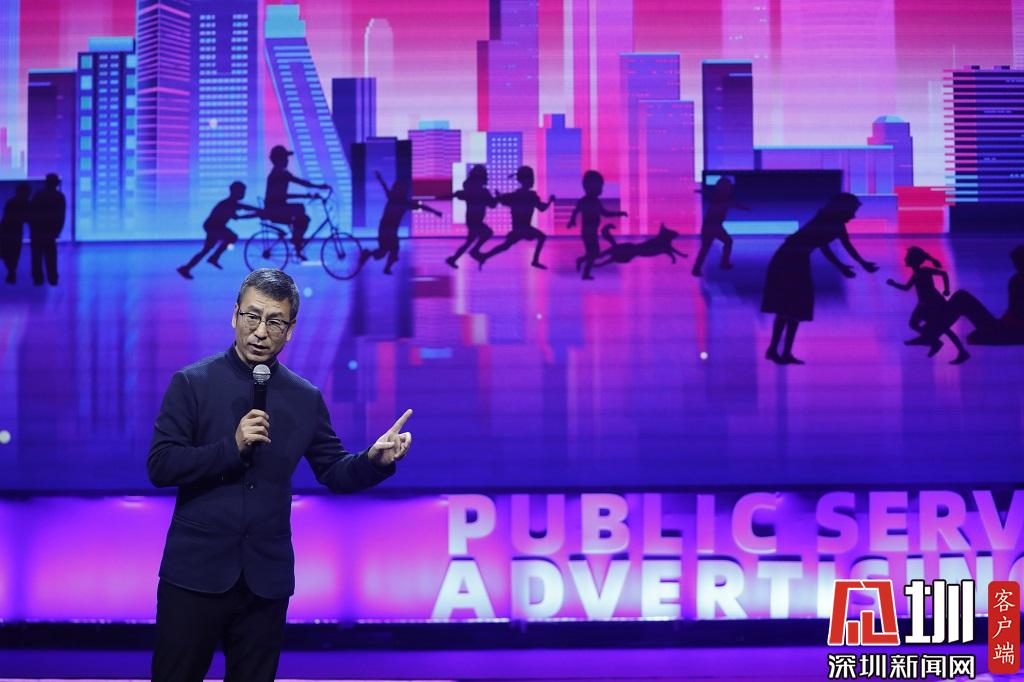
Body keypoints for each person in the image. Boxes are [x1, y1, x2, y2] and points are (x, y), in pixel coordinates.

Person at [148, 269, 413, 682]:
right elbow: (161, 464)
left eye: (274, 321)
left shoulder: (304, 397)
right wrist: (231, 447)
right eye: (252, 316)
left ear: (289, 330)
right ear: (234, 315)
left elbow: (333, 470)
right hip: (194, 575)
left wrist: (374, 461)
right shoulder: (192, 383)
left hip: (265, 582)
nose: (260, 331)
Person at [761, 193, 879, 364]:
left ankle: (781, 351)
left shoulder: (835, 223)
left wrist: (861, 263)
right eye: (853, 211)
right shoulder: (827, 221)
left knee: (794, 309)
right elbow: (825, 247)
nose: (854, 215)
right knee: (789, 307)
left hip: (796, 259)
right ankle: (775, 350)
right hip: (789, 261)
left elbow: (845, 245)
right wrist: (844, 266)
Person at [911, 244, 1024, 347]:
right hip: (1008, 328)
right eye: (1016, 264)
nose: (1017, 267)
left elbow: (1016, 316)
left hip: (1012, 332)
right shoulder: (1016, 280)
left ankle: (930, 334)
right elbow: (1014, 313)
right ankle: (931, 333)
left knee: (961, 299)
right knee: (961, 298)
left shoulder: (1017, 281)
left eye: (1018, 264)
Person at [887, 246, 969, 364]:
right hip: (923, 305)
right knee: (914, 324)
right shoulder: (916, 274)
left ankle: (961, 351)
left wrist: (947, 289)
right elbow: (906, 288)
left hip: (934, 303)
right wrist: (894, 284)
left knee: (943, 328)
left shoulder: (925, 271)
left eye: (907, 257)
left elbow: (943, 274)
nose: (905, 259)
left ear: (914, 260)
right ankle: (933, 341)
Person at [360, 171, 442, 275]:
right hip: (386, 230)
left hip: (388, 230)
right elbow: (384, 187)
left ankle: (376, 261)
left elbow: (421, 206)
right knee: (385, 252)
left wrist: (435, 211)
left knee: (387, 251)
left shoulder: (398, 200)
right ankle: (372, 257)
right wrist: (435, 212)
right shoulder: (396, 199)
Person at [177, 181, 260, 280]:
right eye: (241, 191)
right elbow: (237, 216)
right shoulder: (228, 204)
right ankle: (214, 257)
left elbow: (244, 207)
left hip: (215, 226)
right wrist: (257, 213)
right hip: (214, 227)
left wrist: (257, 211)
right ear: (234, 191)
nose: (243, 193)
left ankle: (186, 268)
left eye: (243, 191)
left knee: (206, 250)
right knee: (232, 237)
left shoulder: (231, 203)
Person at [478, 166, 553, 270]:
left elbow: (502, 199)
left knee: (505, 246)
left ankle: (484, 256)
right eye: (530, 178)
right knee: (542, 237)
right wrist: (550, 201)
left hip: (517, 229)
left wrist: (499, 196)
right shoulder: (531, 196)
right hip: (525, 228)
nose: (532, 180)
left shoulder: (515, 196)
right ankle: (535, 261)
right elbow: (542, 208)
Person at [262, 145, 329, 261]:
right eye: (285, 158)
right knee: (301, 214)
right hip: (275, 209)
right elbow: (297, 184)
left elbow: (287, 192)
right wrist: (317, 187)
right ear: (278, 159)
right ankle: (296, 241)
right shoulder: (279, 173)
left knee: (301, 216)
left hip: (277, 207)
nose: (287, 160)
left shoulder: (280, 173)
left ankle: (297, 244)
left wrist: (308, 195)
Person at [567, 170, 627, 280]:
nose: (600, 190)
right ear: (587, 187)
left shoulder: (594, 201)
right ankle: (585, 274)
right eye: (598, 187)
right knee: (593, 253)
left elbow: (604, 213)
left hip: (591, 232)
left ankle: (581, 261)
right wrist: (572, 221)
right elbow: (577, 211)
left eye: (600, 187)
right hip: (588, 232)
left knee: (594, 253)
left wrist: (618, 214)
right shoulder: (586, 201)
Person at [441, 165, 498, 269]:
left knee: (469, 241)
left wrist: (440, 196)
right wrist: (497, 198)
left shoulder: (475, 191)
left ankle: (453, 259)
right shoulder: (480, 192)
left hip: (473, 220)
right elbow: (492, 205)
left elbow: (455, 195)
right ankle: (474, 251)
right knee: (488, 233)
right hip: (474, 221)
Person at [692, 176, 748, 277]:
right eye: (728, 186)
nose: (729, 188)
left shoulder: (719, 196)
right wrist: (744, 208)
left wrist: (699, 191)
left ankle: (699, 268)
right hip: (713, 226)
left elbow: (708, 193)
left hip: (712, 226)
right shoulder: (722, 197)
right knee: (723, 243)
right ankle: (722, 263)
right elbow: (733, 204)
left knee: (708, 247)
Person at [28, 173, 66, 286]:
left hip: (37, 231)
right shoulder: (59, 196)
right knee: (51, 256)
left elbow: (31, 213)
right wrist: (58, 230)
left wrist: (32, 228)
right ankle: (52, 278)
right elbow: (61, 215)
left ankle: (38, 278)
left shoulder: (38, 195)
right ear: (56, 183)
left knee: (36, 256)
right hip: (50, 231)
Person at [0, 182, 31, 284]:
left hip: (7, 230)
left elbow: (8, 216)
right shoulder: (25, 204)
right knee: (13, 253)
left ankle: (11, 272)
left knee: (8, 253)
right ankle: (12, 272)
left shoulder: (12, 202)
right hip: (13, 231)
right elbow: (27, 218)